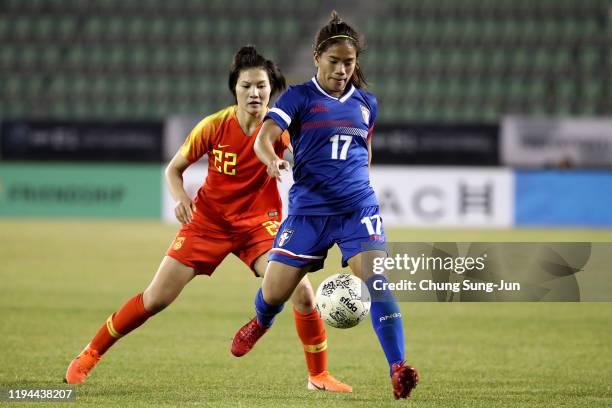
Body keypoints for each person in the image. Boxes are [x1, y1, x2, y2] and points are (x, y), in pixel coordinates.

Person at [64, 46, 352, 393]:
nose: (254, 93)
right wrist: (181, 197)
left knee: (303, 292)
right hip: (208, 224)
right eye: (247, 86)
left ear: (270, 90)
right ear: (235, 89)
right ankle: (91, 352)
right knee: (155, 299)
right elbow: (174, 170)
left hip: (259, 225)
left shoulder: (280, 129)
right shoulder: (214, 126)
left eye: (261, 86)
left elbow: (305, 157)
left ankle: (318, 376)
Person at [230, 13, 419, 399]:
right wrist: (271, 159)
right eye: (334, 61)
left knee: (379, 284)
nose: (342, 69)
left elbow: (364, 150)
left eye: (349, 63)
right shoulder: (299, 97)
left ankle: (398, 368)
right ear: (318, 57)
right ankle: (261, 321)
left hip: (356, 211)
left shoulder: (367, 103)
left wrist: (358, 181)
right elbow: (265, 137)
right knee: (274, 292)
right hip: (309, 212)